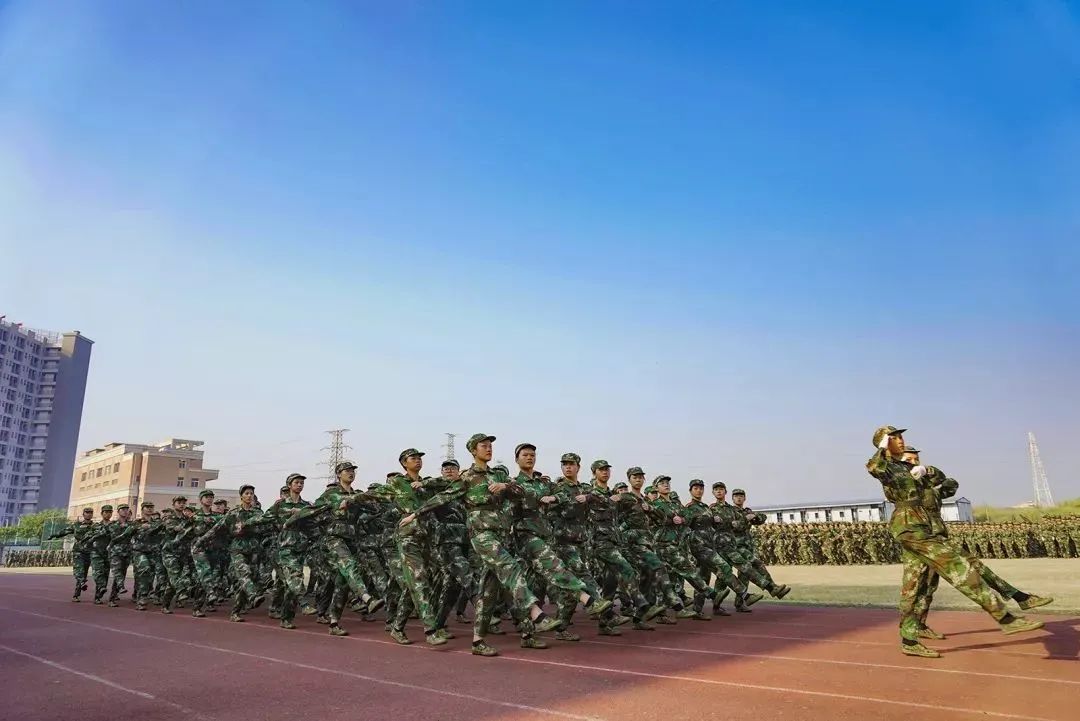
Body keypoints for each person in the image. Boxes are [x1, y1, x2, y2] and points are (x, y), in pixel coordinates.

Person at [867, 425, 1044, 658]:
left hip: (925, 528)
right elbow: (873, 467)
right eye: (895, 437)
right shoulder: (887, 467)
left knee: (914, 588)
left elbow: (944, 482)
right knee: (958, 566)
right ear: (884, 442)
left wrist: (925, 469)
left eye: (901, 436)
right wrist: (882, 447)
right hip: (910, 528)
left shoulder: (907, 468)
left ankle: (910, 640)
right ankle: (1006, 617)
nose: (900, 440)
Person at [899, 445, 1053, 640]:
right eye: (908, 460)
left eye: (916, 460)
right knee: (916, 589)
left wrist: (928, 471)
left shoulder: (927, 486)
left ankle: (918, 627)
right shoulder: (902, 486)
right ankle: (1018, 598)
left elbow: (948, 483)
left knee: (929, 587)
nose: (913, 463)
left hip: (937, 539)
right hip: (919, 541)